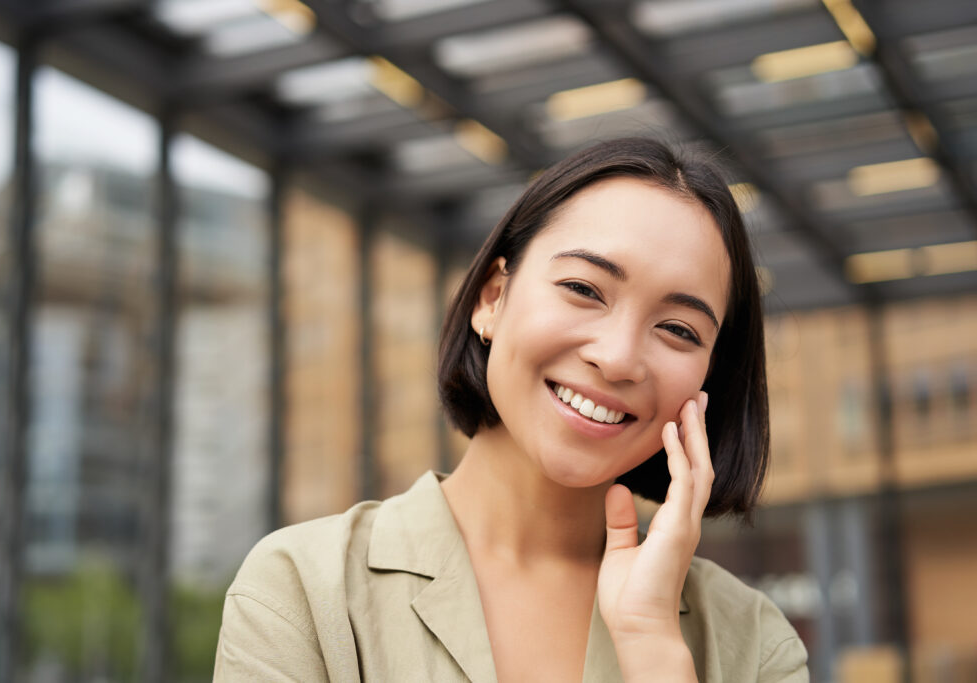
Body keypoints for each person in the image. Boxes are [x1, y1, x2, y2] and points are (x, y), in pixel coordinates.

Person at [213, 138, 809, 682]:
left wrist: (651, 644)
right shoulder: (304, 590)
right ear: (493, 298)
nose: (618, 358)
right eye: (584, 289)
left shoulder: (755, 646)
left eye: (678, 329)